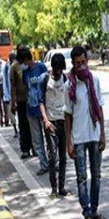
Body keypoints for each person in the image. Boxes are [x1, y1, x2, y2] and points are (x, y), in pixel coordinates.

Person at [64, 45, 106, 219]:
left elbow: (101, 108)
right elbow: (67, 115)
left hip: (95, 134)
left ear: (87, 61)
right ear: (72, 64)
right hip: (79, 137)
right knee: (82, 178)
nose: (81, 66)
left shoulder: (94, 80)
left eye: (83, 62)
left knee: (96, 176)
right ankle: (87, 213)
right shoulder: (69, 86)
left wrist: (103, 133)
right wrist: (69, 141)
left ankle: (95, 210)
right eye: (77, 63)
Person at [39, 53, 70, 198]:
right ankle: (54, 188)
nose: (59, 73)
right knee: (52, 157)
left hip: (63, 122)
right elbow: (40, 102)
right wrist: (46, 120)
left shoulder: (66, 79)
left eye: (61, 70)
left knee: (63, 157)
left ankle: (62, 186)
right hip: (51, 123)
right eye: (57, 70)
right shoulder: (44, 80)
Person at [18, 47, 49, 175]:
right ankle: (43, 164)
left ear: (26, 59)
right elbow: (26, 88)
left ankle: (54, 162)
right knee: (37, 140)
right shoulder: (25, 73)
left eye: (22, 62)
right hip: (31, 109)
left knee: (49, 137)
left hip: (43, 109)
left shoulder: (41, 67)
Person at [11, 46, 33, 159]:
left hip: (31, 100)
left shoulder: (30, 65)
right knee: (23, 125)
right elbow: (13, 86)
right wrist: (13, 102)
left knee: (32, 124)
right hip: (21, 100)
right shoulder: (14, 67)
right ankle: (25, 148)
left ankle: (34, 147)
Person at [3, 52, 18, 137]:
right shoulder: (6, 67)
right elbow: (5, 81)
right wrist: (7, 95)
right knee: (12, 115)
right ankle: (16, 130)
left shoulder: (19, 67)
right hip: (10, 95)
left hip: (18, 95)